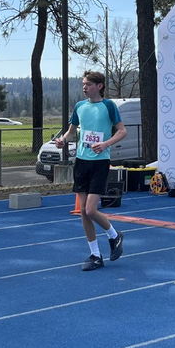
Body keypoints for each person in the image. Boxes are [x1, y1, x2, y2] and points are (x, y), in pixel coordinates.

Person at [55, 71, 127, 271]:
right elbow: (71, 131)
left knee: (90, 209)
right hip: (82, 161)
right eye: (83, 84)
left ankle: (114, 235)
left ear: (99, 86)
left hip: (100, 162)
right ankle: (95, 255)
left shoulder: (109, 106)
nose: (84, 87)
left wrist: (105, 144)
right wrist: (63, 141)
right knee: (84, 213)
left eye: (88, 84)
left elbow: (122, 131)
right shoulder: (80, 106)